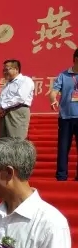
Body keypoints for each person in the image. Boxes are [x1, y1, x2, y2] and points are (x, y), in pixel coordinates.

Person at [49, 48, 78, 181]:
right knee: (63, 147)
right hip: (66, 117)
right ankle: (61, 175)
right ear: (76, 59)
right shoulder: (63, 75)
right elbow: (54, 91)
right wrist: (53, 100)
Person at [0, 59, 35, 139]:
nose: (4, 72)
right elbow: (0, 99)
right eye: (3, 70)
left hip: (17, 112)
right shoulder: (7, 84)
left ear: (16, 69)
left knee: (16, 140)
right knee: (3, 141)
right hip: (4, 113)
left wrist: (2, 106)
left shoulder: (25, 80)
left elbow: (20, 98)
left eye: (7, 69)